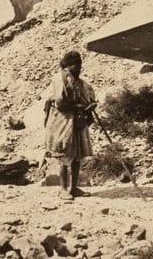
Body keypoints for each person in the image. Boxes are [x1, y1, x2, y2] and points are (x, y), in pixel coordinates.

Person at [44, 50, 97, 200]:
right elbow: (61, 104)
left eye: (79, 64)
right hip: (63, 122)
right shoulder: (60, 79)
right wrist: (79, 107)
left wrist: (89, 106)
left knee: (77, 155)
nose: (78, 68)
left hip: (78, 122)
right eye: (75, 65)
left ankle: (73, 188)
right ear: (67, 65)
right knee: (65, 155)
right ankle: (63, 189)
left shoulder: (81, 83)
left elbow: (87, 98)